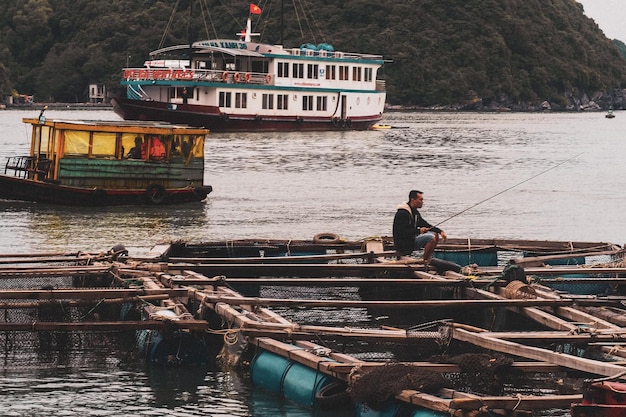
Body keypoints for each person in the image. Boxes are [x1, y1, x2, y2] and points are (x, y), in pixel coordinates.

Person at [392, 190, 447, 265]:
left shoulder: (415, 212)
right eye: (420, 200)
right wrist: (418, 231)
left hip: (411, 239)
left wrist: (440, 231)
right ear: (413, 200)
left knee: (435, 233)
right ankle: (424, 262)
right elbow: (401, 232)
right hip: (403, 244)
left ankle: (428, 258)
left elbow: (424, 224)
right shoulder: (402, 213)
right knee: (431, 238)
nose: (422, 202)